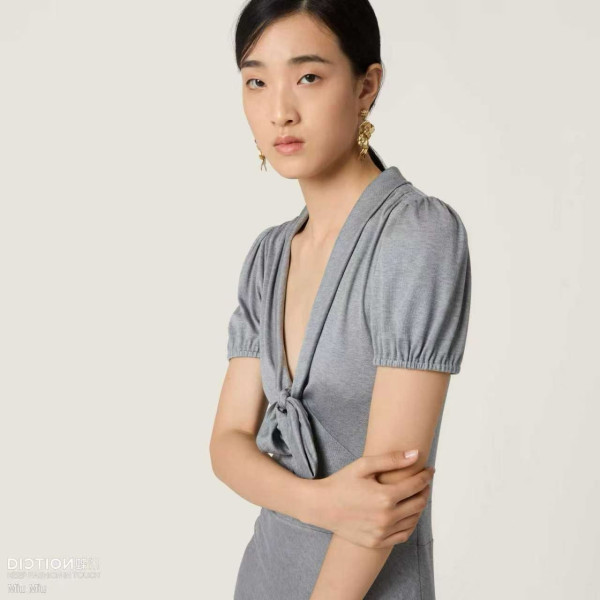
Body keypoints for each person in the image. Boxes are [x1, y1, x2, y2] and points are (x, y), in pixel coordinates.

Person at [209, 1, 472, 598]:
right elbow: (226, 445)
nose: (279, 110)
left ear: (366, 87)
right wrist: (321, 502)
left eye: (308, 76)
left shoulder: (416, 235)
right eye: (256, 81)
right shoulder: (269, 255)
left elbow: (388, 495)